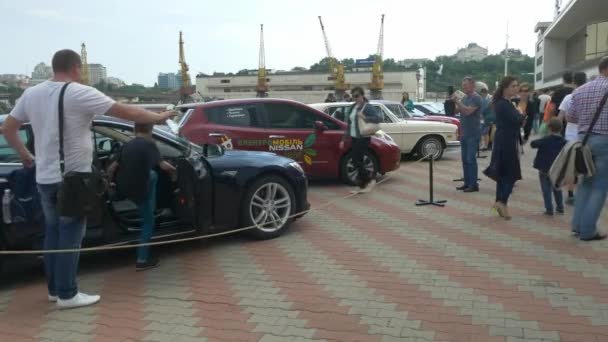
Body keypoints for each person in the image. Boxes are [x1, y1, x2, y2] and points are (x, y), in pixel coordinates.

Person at [2, 49, 174, 309]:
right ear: (75, 68)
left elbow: (7, 128)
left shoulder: (32, 93)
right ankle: (68, 294)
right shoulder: (79, 92)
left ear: (53, 68)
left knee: (53, 234)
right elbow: (126, 113)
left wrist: (26, 154)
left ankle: (54, 290)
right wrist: (159, 117)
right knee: (71, 235)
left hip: (45, 177)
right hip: (73, 179)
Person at [107, 123, 176, 271]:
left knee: (153, 174)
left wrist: (110, 183)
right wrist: (175, 172)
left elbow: (112, 168)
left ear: (134, 130)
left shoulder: (127, 144)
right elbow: (163, 165)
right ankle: (142, 260)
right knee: (148, 222)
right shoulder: (150, 145)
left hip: (125, 188)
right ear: (151, 131)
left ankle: (151, 208)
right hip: (140, 190)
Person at [566, 56, 608, 241]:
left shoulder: (580, 90)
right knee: (599, 186)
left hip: (583, 140)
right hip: (605, 141)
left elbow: (570, 118)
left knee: (585, 183)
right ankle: (588, 230)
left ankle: (577, 225)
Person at [483, 76, 524, 220]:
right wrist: (521, 112)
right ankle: (501, 202)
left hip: (505, 139)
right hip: (506, 141)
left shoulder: (505, 103)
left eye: (516, 85)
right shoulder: (503, 104)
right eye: (513, 86)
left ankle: (501, 204)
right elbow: (517, 120)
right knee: (510, 174)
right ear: (505, 88)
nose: (516, 88)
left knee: (503, 174)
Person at [339, 86, 381, 194]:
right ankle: (363, 185)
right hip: (354, 138)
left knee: (357, 160)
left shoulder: (367, 107)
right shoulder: (353, 107)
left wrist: (364, 117)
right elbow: (349, 125)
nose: (355, 98)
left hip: (363, 138)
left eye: (357, 96)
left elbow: (378, 118)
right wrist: (343, 140)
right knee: (357, 161)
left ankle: (369, 181)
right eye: (353, 96)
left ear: (362, 95)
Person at [560, 71, 587, 205]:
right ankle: (585, 193)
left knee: (572, 166)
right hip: (587, 136)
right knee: (587, 165)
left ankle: (570, 194)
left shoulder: (568, 98)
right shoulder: (590, 97)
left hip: (570, 136)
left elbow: (562, 117)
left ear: (573, 82)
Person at [530, 118, 567, 216]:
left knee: (546, 190)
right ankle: (560, 208)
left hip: (544, 168)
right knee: (557, 188)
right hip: (557, 169)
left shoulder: (545, 140)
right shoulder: (565, 142)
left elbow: (533, 144)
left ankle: (549, 209)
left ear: (549, 128)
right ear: (561, 129)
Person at [453, 76, 482, 192]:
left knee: (471, 159)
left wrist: (458, 102)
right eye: (463, 85)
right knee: (465, 159)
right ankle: (467, 182)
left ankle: (474, 184)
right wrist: (451, 102)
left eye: (466, 85)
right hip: (465, 133)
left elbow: (468, 111)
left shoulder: (477, 98)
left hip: (473, 133)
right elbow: (457, 111)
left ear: (472, 85)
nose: (464, 87)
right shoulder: (464, 98)